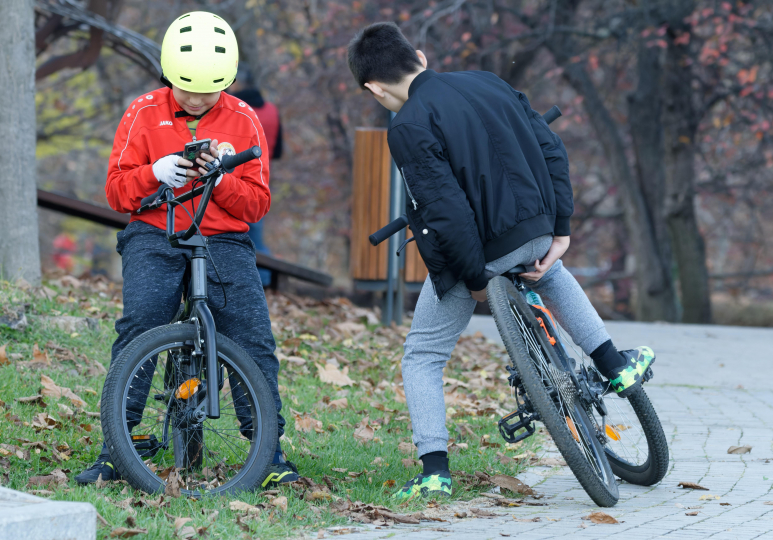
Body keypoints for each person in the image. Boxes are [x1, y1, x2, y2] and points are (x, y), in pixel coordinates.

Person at [347, 22, 655, 500]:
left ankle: (435, 471)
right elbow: (552, 148)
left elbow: (444, 209)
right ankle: (616, 366)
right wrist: (561, 228)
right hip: (536, 229)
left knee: (423, 356)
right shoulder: (490, 82)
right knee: (551, 271)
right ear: (421, 57)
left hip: (482, 254)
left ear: (373, 87)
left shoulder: (407, 124)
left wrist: (473, 279)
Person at [74, 11, 298, 487]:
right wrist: (154, 174)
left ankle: (269, 453)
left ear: (229, 80)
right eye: (186, 87)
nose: (197, 99)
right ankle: (118, 447)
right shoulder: (142, 111)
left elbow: (257, 205)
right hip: (155, 232)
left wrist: (222, 180)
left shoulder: (244, 118)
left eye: (209, 89)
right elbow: (117, 193)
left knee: (252, 335)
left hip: (222, 237)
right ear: (167, 74)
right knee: (141, 321)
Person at [229, 63, 282, 287]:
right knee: (256, 228)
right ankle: (264, 279)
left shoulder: (234, 108)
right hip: (261, 173)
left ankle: (255, 280)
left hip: (233, 172)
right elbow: (279, 150)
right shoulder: (272, 110)